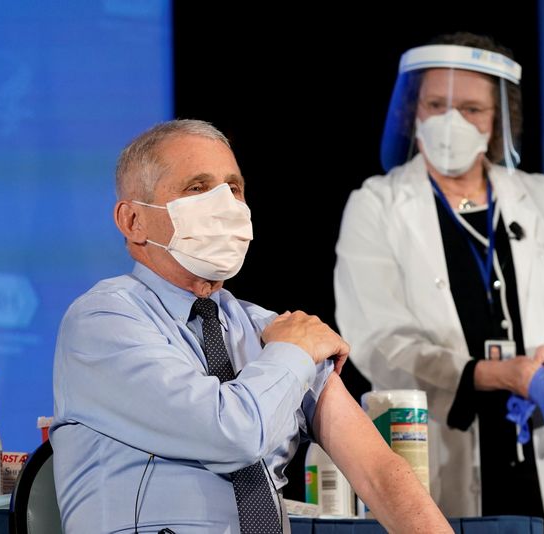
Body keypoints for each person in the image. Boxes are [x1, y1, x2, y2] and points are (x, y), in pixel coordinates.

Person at [50, 119, 452, 534]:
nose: (225, 205)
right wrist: (293, 353)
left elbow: (379, 471)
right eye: (197, 188)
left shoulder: (268, 328)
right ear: (133, 221)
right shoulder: (103, 320)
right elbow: (231, 435)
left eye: (234, 188)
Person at [334, 32, 544, 534]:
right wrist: (489, 374)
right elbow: (376, 340)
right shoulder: (377, 205)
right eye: (436, 104)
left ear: (498, 122)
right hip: (443, 451)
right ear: (412, 112)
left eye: (471, 109)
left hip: (542, 461)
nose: (452, 123)